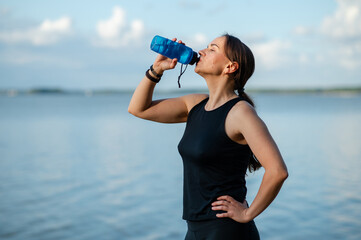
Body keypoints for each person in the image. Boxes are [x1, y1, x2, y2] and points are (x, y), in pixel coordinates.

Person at [128, 34, 288, 240]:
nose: (202, 51)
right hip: (194, 229)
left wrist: (247, 213)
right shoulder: (194, 104)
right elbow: (138, 109)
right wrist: (156, 70)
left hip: (226, 231)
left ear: (231, 67)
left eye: (212, 49)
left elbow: (278, 171)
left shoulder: (241, 113)